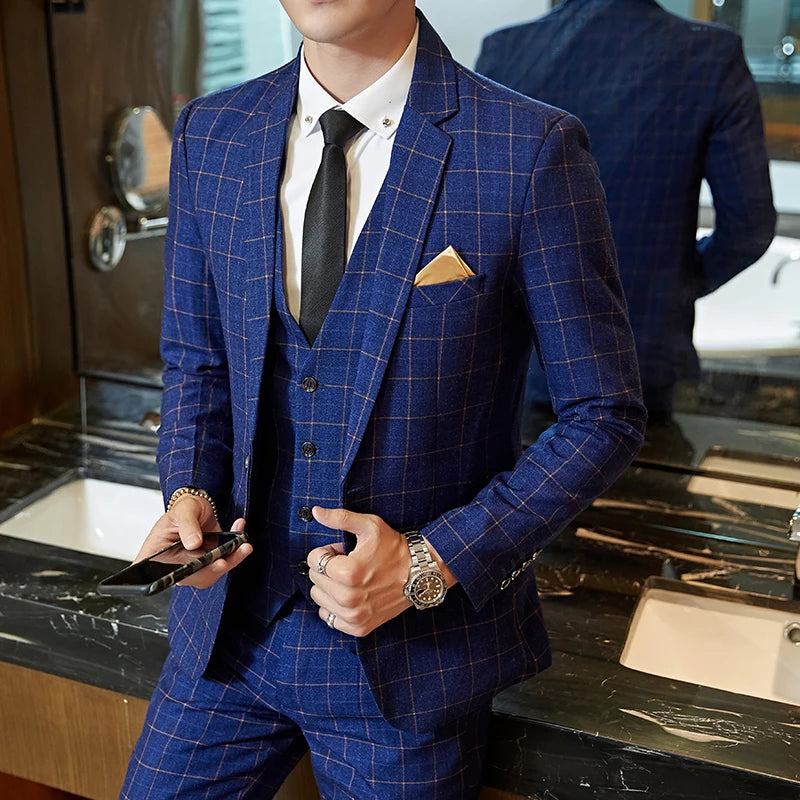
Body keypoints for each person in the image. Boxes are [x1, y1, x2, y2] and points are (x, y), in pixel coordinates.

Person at [121, 1, 646, 797]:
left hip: (411, 665)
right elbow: (198, 362)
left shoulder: (529, 148)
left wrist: (432, 561)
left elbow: (604, 414)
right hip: (229, 639)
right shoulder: (211, 133)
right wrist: (189, 492)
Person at [477, 0, 776, 426]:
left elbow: (475, 214)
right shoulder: (709, 53)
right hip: (639, 348)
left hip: (515, 349)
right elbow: (748, 226)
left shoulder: (506, 49)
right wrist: (675, 285)